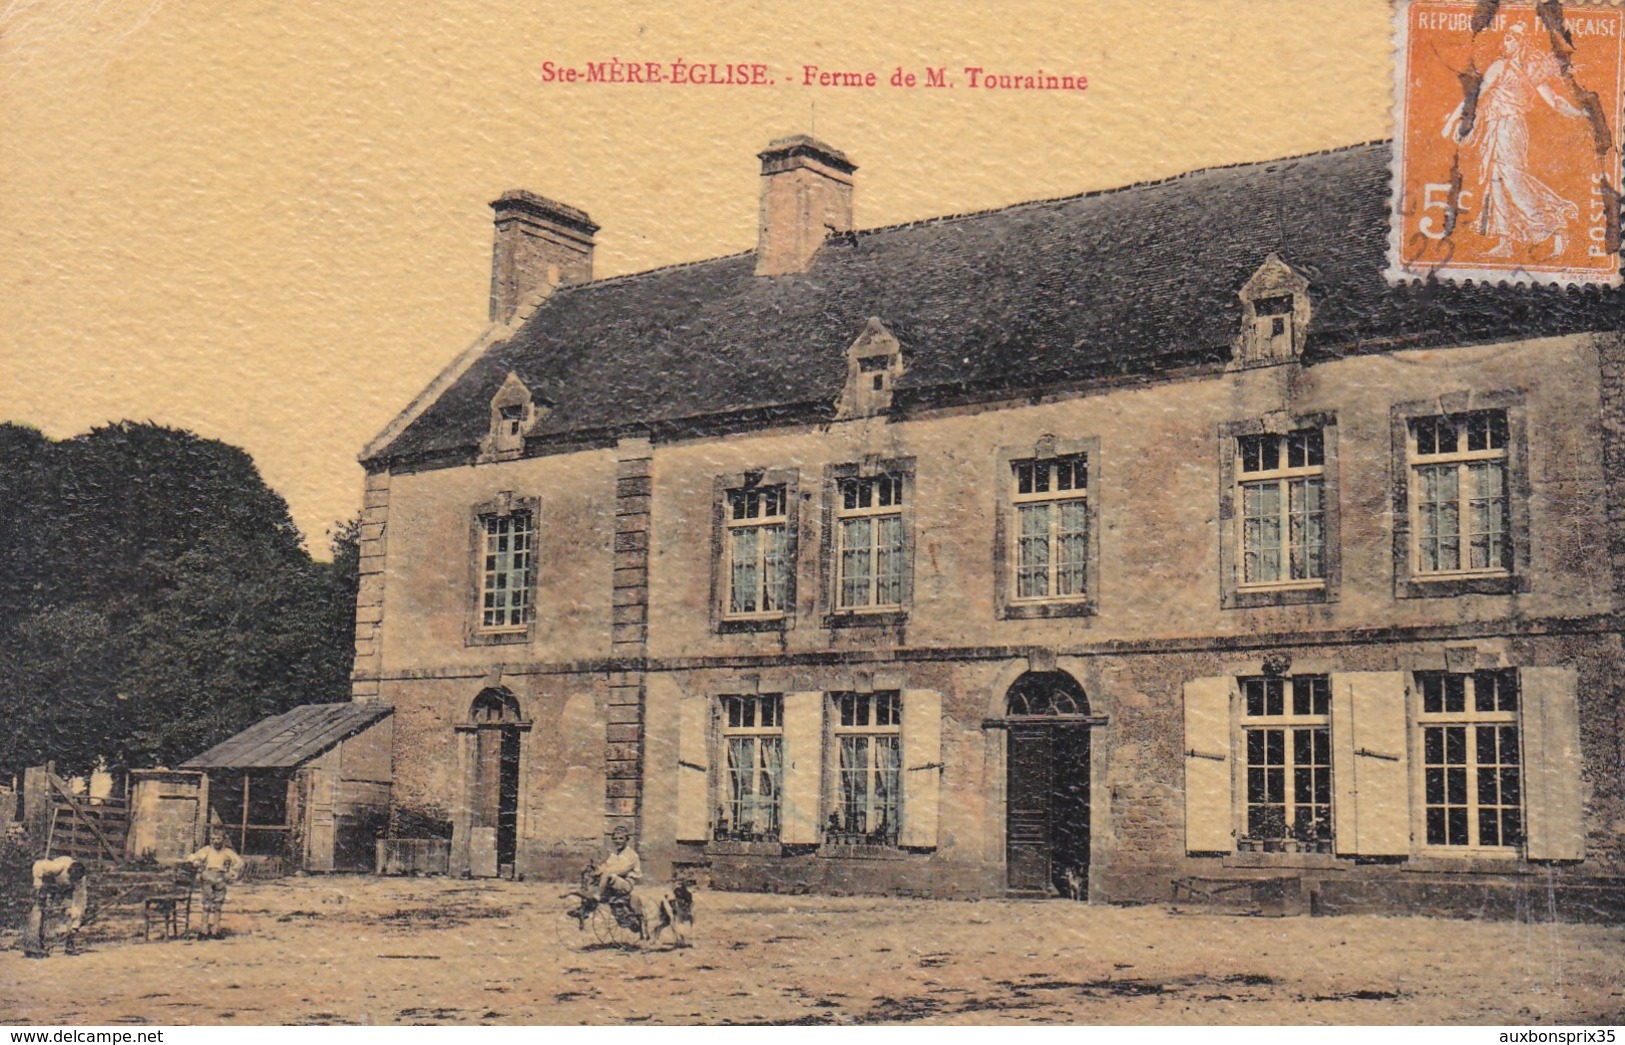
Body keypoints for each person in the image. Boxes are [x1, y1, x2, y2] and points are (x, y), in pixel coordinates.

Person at [1441, 23, 1589, 258]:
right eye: (1505, 38)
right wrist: (1453, 120)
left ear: (1521, 42)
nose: (1505, 43)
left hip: (1510, 127)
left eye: (1510, 39)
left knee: (1511, 180)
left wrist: (1581, 113)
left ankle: (1556, 223)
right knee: (1496, 183)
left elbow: (1554, 101)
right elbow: (1477, 95)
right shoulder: (1500, 65)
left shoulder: (1527, 70)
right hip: (1496, 127)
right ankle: (1506, 242)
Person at [25, 856, 88, 958]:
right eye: (72, 878)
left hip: (67, 890)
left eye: (75, 879)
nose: (74, 880)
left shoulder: (80, 880)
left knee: (71, 913)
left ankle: (69, 944)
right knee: (42, 910)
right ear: (68, 872)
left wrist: (76, 925)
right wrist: (38, 882)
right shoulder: (58, 867)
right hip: (51, 883)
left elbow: (80, 902)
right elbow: (38, 865)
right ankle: (37, 943)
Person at [186, 830, 244, 939]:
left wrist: (231, 872)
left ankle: (215, 930)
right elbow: (192, 857)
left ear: (223, 840)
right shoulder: (207, 850)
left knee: (218, 905)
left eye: (218, 839)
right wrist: (196, 862)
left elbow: (239, 862)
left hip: (220, 878)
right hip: (208, 876)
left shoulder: (227, 851)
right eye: (213, 839)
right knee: (206, 905)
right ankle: (204, 931)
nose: (215, 841)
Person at [593, 825, 641, 906]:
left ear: (626, 839)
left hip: (626, 884)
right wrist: (598, 870)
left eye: (621, 838)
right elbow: (606, 865)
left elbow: (621, 870)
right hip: (615, 880)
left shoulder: (631, 855)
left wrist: (604, 871)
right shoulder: (614, 854)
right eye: (615, 839)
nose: (618, 841)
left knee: (607, 874)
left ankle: (597, 897)